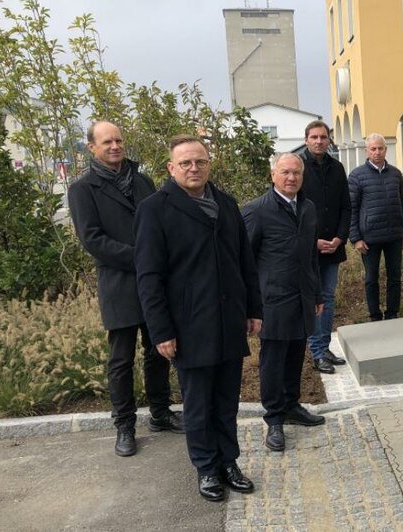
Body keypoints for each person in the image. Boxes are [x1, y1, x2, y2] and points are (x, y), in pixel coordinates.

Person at [135, 135, 262, 502]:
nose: (194, 168)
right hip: (187, 326)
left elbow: (245, 262)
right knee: (198, 403)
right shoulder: (154, 209)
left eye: (200, 162)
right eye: (186, 163)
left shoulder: (226, 203)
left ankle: (228, 462)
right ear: (171, 168)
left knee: (226, 399)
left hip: (228, 320)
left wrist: (254, 309)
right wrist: (161, 331)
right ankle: (206, 467)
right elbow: (149, 277)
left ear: (209, 164)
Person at [68, 121, 182, 458]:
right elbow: (93, 240)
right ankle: (125, 426)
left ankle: (160, 414)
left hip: (156, 285)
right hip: (119, 284)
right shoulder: (83, 189)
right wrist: (144, 258)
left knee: (160, 351)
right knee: (121, 360)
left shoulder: (143, 180)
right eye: (107, 142)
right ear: (92, 147)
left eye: (118, 140)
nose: (115, 146)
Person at [243, 154, 326, 453]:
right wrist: (250, 306)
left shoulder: (308, 208)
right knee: (273, 361)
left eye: (296, 173)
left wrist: (317, 295)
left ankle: (292, 406)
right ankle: (274, 418)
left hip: (302, 297)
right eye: (285, 172)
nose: (291, 178)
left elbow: (311, 258)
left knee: (295, 354)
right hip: (272, 301)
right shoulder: (256, 211)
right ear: (273, 174)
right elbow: (245, 262)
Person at [300, 121, 350, 374]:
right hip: (308, 249)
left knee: (328, 298)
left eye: (323, 137)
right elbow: (292, 211)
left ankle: (325, 346)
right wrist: (312, 240)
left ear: (329, 140)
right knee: (313, 300)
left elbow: (345, 206)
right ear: (306, 139)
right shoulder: (298, 168)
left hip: (333, 247)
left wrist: (340, 238)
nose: (319, 141)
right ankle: (317, 352)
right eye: (314, 137)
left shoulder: (337, 167)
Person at [348, 133, 403, 321]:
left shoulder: (396, 174)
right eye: (373, 149)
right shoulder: (357, 175)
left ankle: (392, 313)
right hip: (369, 238)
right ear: (367, 151)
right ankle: (375, 315)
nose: (377, 152)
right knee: (371, 278)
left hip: (394, 236)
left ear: (386, 149)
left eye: (380, 148)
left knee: (395, 277)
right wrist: (356, 238)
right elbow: (352, 208)